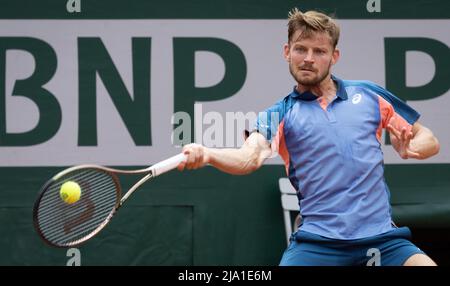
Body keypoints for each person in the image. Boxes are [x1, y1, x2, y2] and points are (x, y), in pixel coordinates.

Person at [177, 8, 440, 266]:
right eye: (301, 48)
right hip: (318, 244)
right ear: (287, 52)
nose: (308, 58)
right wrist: (208, 153)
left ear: (334, 56)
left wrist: (413, 148)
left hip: (382, 241)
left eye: (319, 51)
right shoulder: (279, 114)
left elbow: (428, 137)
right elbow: (249, 158)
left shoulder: (369, 95)